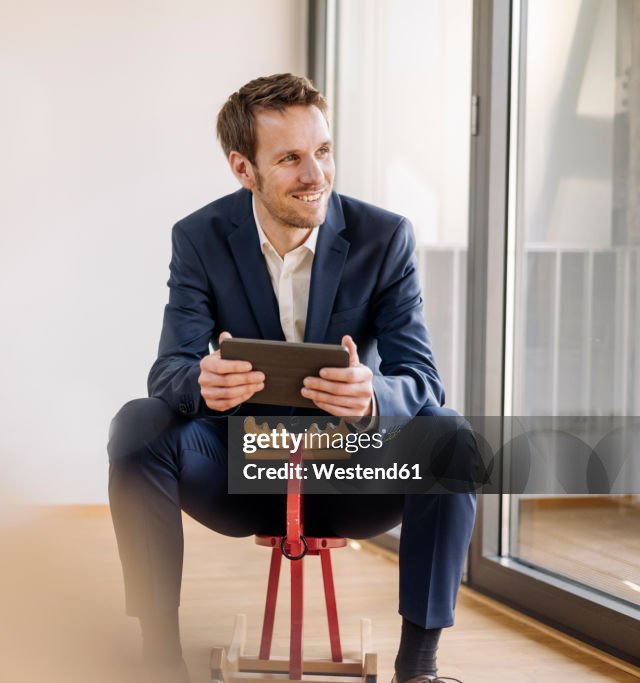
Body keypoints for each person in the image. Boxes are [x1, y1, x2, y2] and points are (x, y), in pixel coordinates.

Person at [107, 74, 477, 683]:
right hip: (238, 470)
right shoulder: (198, 238)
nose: (316, 175)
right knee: (137, 424)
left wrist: (372, 395)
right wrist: (200, 383)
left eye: (323, 152)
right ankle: (159, 659)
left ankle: (420, 669)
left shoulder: (385, 238)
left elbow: (421, 381)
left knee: (451, 435)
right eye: (290, 159)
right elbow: (167, 370)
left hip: (353, 471)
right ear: (242, 168)